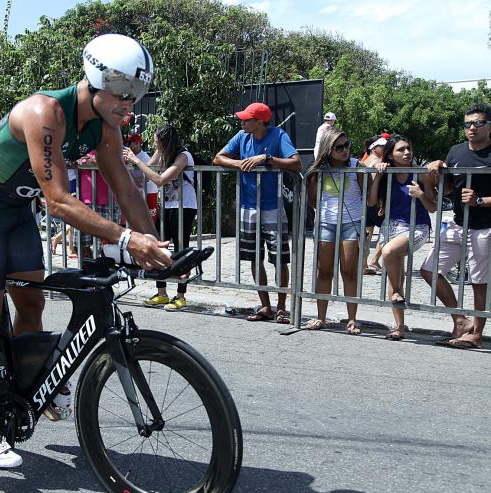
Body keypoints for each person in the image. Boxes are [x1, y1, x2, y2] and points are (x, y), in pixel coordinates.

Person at [0, 33, 169, 468]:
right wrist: (128, 239)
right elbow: (59, 202)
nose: (129, 104)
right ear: (94, 79)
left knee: (32, 304)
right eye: (122, 92)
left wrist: (158, 247)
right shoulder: (44, 112)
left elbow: (126, 190)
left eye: (136, 94)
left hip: (16, 211)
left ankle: (28, 385)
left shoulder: (105, 125)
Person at [213, 102, 302, 324]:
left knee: (279, 259)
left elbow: (296, 163)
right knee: (254, 257)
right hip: (248, 206)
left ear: (260, 122)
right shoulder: (242, 136)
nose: (242, 122)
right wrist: (239, 163)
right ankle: (266, 306)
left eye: (246, 119)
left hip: (273, 207)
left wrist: (266, 159)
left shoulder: (278, 135)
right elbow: (218, 158)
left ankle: (282, 307)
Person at [420, 103, 491, 349]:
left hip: (484, 227)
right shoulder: (456, 151)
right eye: (467, 124)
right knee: (429, 269)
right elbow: (450, 187)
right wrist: (437, 170)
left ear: (488, 126)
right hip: (458, 223)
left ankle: (477, 334)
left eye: (478, 123)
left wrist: (480, 201)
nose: (472, 128)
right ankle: (460, 321)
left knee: (479, 281)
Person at [368, 135, 435, 341]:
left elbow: (433, 207)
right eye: (401, 150)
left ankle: (397, 291)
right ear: (390, 155)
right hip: (391, 226)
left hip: (417, 226)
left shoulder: (420, 174)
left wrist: (420, 194)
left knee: (388, 252)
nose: (407, 153)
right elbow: (371, 202)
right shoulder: (387, 173)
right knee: (394, 273)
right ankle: (399, 327)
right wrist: (377, 176)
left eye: (408, 148)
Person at [125, 124, 196, 311]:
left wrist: (136, 160)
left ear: (165, 141)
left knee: (181, 250)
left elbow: (160, 180)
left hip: (184, 206)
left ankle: (181, 296)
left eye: (157, 141)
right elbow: (148, 169)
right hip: (167, 205)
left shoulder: (183, 156)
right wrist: (139, 159)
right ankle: (162, 293)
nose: (154, 143)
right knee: (159, 247)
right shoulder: (163, 152)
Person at [305, 128, 363, 334]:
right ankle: (321, 317)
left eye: (347, 145)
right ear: (328, 149)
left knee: (349, 272)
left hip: (351, 223)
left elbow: (368, 193)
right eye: (339, 147)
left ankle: (352, 319)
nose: (345, 150)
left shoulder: (357, 166)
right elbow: (312, 200)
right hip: (326, 223)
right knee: (324, 271)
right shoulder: (317, 170)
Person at [73, 149, 122, 258]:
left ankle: (105, 266)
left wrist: (97, 162)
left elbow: (121, 161)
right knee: (81, 242)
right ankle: (89, 266)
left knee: (109, 243)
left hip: (107, 199)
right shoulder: (81, 146)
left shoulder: (111, 143)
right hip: (84, 198)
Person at [362, 136, 388, 275]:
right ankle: (374, 260)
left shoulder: (365, 161)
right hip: (375, 202)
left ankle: (363, 264)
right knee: (386, 230)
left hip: (365, 202)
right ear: (374, 148)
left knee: (367, 235)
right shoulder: (377, 161)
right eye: (382, 146)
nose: (385, 148)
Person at [125, 133, 159, 224]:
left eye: (129, 143)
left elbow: (147, 177)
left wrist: (129, 181)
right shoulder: (130, 156)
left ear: (137, 143)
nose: (127, 146)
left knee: (151, 219)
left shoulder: (145, 157)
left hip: (150, 191)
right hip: (139, 191)